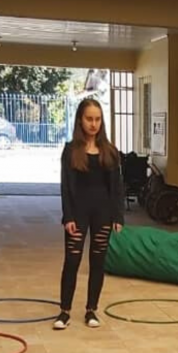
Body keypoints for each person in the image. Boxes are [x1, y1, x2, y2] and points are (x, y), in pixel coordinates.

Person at [55, 98, 124, 330]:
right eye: (89, 119)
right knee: (72, 260)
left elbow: (117, 187)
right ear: (80, 120)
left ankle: (91, 310)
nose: (94, 124)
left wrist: (118, 216)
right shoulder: (70, 151)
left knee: (98, 260)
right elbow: (65, 187)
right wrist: (68, 216)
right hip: (78, 213)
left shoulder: (110, 151)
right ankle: (64, 312)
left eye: (97, 119)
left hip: (103, 213)